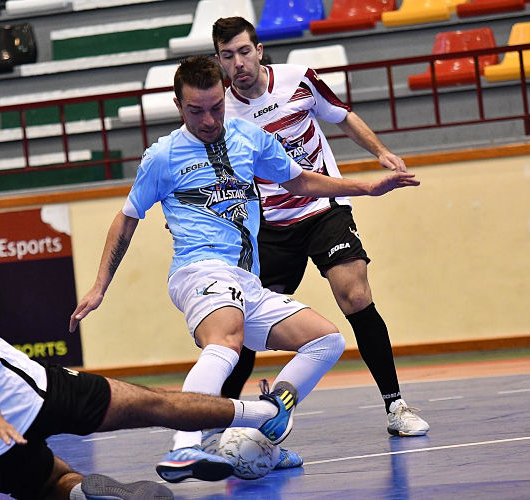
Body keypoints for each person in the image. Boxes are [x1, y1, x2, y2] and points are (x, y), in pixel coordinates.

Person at [69, 55, 419, 483]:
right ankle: (184, 447)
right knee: (227, 341)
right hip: (199, 273)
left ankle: (268, 415)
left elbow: (300, 181)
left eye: (216, 107)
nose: (209, 119)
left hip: (246, 281)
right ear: (178, 106)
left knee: (326, 341)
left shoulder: (250, 137)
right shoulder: (162, 156)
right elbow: (127, 217)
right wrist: (100, 286)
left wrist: (366, 186)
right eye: (196, 110)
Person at [0, 206, 296, 500]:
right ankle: (262, 411)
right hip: (27, 393)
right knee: (154, 404)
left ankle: (86, 494)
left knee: (51, 484)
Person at [212, 16, 430, 437]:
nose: (237, 62)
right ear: (219, 62)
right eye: (227, 56)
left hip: (324, 210)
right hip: (271, 225)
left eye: (243, 51)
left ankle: (395, 406)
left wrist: (381, 152)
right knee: (243, 321)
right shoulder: (222, 112)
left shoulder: (298, 80)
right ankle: (218, 418)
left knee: (355, 294)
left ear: (258, 51)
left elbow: (342, 116)